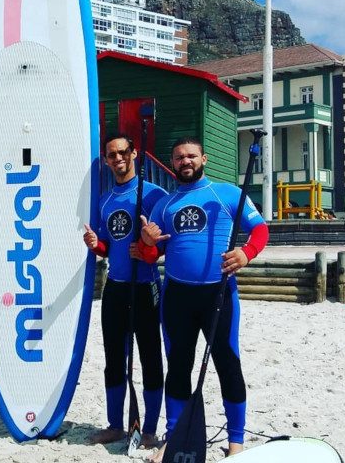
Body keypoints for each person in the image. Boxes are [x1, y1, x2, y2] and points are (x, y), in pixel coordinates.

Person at [137, 137, 269, 462]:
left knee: (228, 363)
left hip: (218, 293)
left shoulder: (226, 194)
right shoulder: (164, 204)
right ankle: (174, 437)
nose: (186, 161)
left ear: (203, 159)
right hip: (177, 296)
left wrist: (246, 253)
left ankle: (236, 442)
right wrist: (147, 242)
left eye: (191, 156)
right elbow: (152, 255)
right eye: (179, 157)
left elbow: (260, 229)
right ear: (173, 162)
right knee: (178, 367)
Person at [82, 133, 167, 448]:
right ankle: (115, 425)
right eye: (111, 155)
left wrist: (146, 248)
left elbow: (164, 245)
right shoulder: (105, 200)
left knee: (150, 358)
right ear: (106, 160)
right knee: (114, 359)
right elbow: (108, 246)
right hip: (115, 288)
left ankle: (150, 429)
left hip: (145, 287)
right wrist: (96, 245)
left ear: (133, 154)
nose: (117, 158)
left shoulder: (155, 195)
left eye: (122, 152)